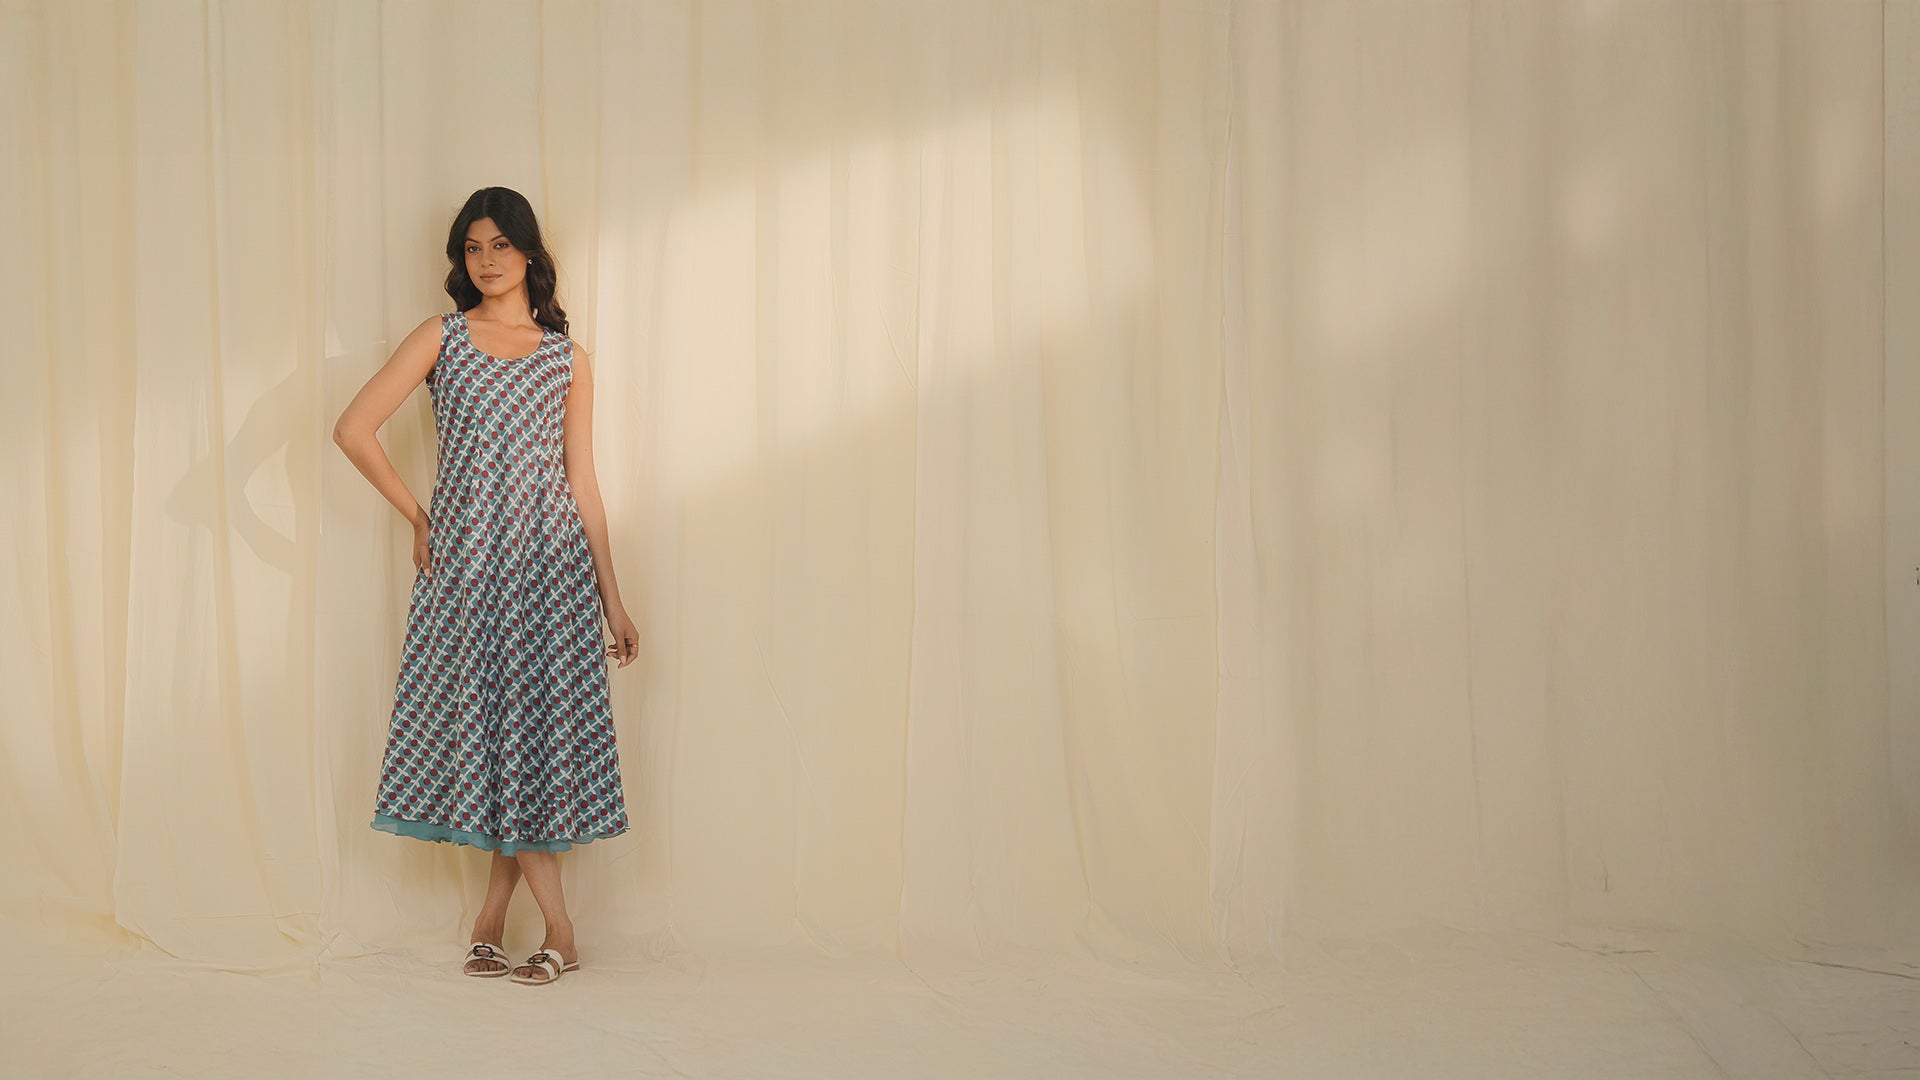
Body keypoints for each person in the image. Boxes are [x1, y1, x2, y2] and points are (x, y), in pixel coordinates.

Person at [332, 186, 639, 985]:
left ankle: (497, 922)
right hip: (468, 572)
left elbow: (583, 483)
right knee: (501, 736)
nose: (487, 260)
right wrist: (419, 517)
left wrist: (611, 597)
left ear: (530, 252)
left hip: (550, 575)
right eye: (473, 247)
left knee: (528, 739)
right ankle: (558, 930)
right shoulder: (443, 337)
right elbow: (353, 429)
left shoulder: (567, 358)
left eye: (501, 244)